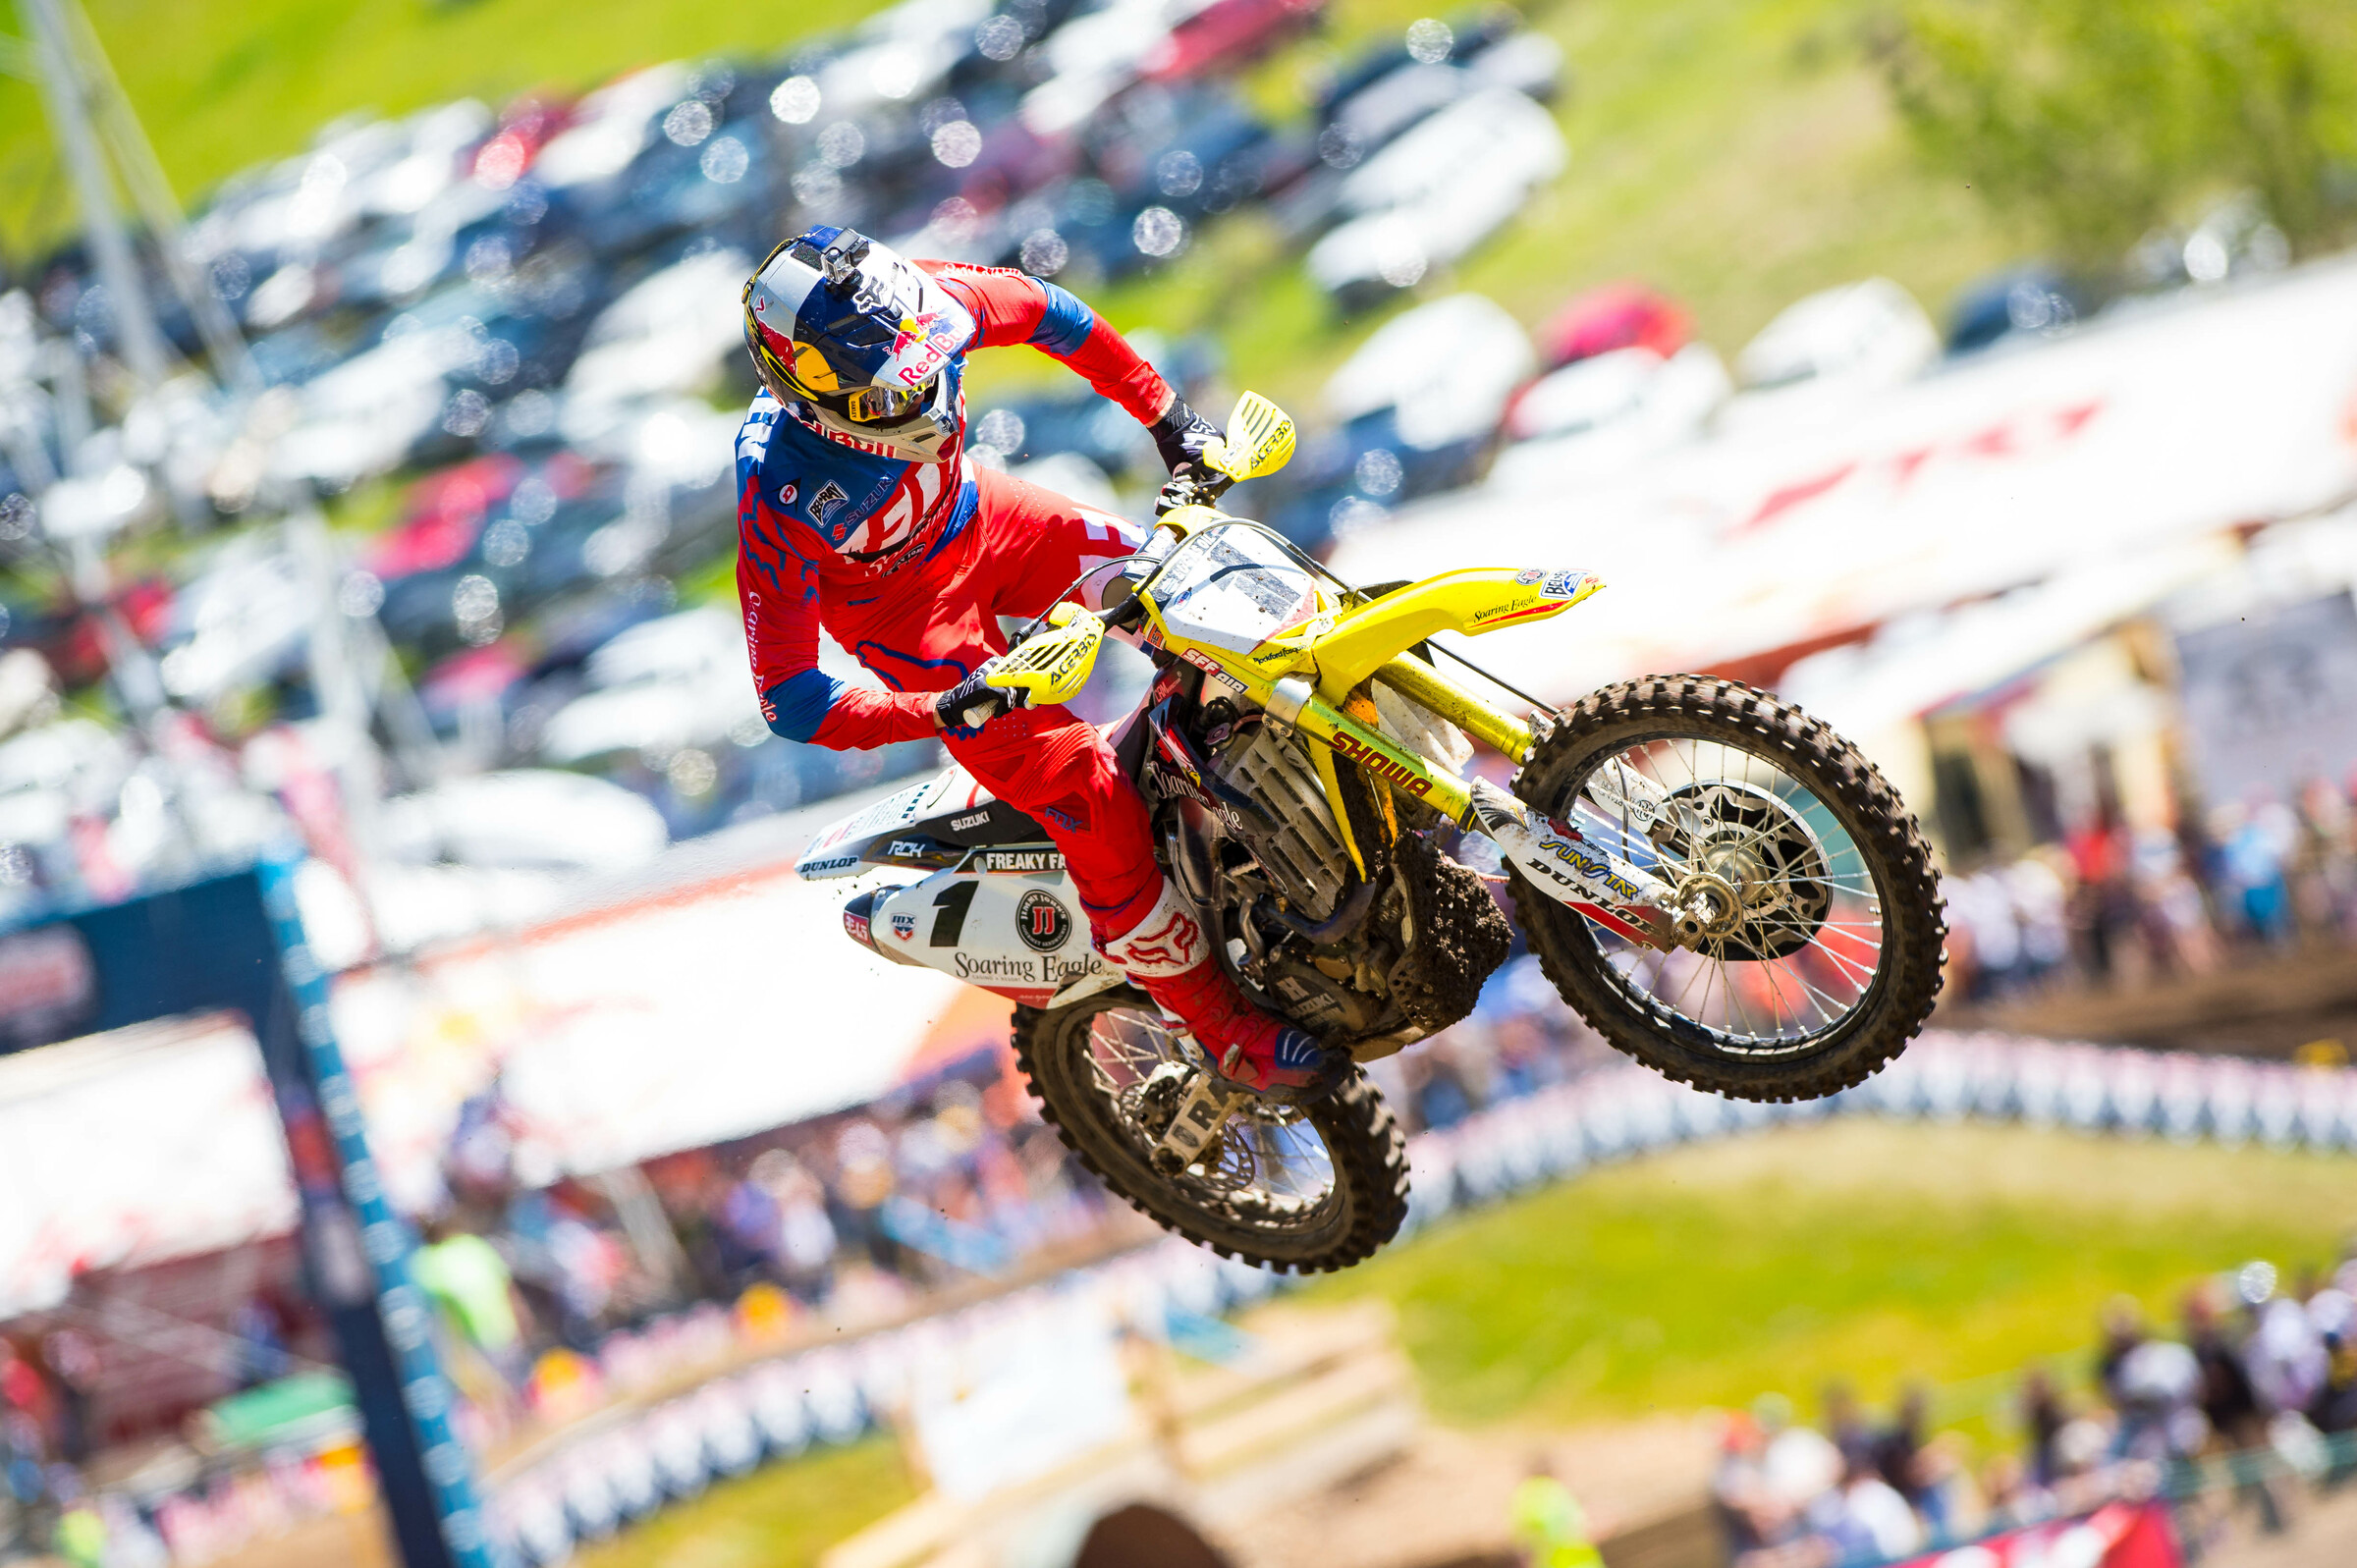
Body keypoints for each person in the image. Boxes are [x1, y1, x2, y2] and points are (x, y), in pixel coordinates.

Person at [733, 227, 1337, 1095]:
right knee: (1085, 786)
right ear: (803, 394)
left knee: (1206, 597)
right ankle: (1222, 1028)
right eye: (877, 400)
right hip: (915, 628)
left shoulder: (932, 301)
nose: (918, 403)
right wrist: (939, 709)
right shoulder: (777, 490)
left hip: (994, 521)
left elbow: (1058, 313)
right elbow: (788, 696)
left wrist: (1172, 422)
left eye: (922, 367)